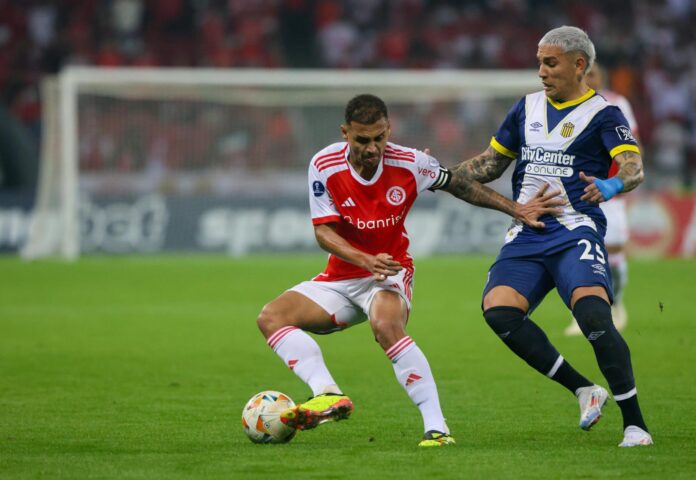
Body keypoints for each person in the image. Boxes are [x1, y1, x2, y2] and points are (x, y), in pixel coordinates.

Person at [256, 94, 561, 447]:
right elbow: (323, 232)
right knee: (271, 316)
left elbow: (461, 185)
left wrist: (516, 209)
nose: (372, 148)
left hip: (390, 272)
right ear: (345, 133)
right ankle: (327, 393)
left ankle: (437, 429)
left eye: (379, 138)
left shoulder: (411, 162)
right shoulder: (323, 164)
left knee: (385, 325)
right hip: (343, 276)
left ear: (388, 130)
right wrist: (365, 260)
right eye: (362, 140)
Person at [452, 26, 652, 447]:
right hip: (526, 232)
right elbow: (488, 166)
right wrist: (437, 176)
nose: (540, 71)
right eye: (539, 62)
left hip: (574, 229)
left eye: (550, 62)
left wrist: (614, 185)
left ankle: (635, 424)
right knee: (499, 312)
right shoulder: (525, 109)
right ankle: (584, 389)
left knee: (594, 317)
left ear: (579, 65)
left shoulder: (604, 114)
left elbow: (633, 167)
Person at [565, 62, 639, 335]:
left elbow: (632, 145)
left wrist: (620, 181)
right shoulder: (566, 106)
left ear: (602, 78)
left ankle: (616, 304)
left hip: (609, 191)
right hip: (578, 191)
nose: (588, 79)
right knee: (578, 252)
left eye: (593, 74)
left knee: (615, 250)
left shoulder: (617, 103)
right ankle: (582, 313)